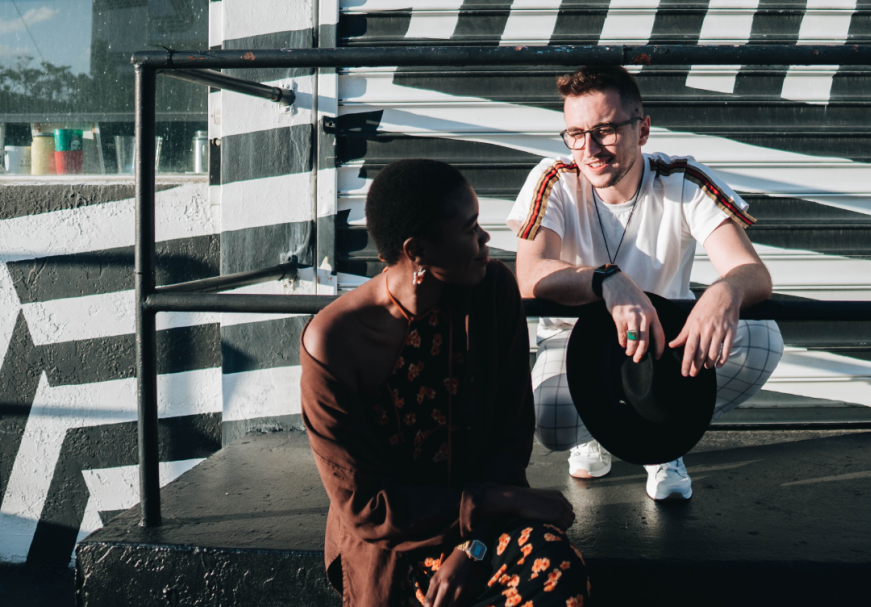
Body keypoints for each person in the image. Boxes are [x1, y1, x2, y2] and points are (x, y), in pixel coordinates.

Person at [301, 159, 589, 607]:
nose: (485, 240)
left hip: (489, 520)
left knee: (555, 573)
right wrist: (489, 506)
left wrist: (470, 546)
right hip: (396, 539)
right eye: (470, 228)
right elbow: (365, 508)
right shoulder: (333, 341)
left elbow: (510, 438)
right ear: (417, 251)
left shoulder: (491, 291)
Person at [508, 65, 784, 502]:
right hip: (578, 344)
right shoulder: (555, 178)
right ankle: (599, 431)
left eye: (605, 130)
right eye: (575, 133)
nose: (589, 148)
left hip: (664, 342)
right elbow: (530, 275)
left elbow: (753, 273)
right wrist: (605, 281)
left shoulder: (682, 179)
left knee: (764, 339)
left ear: (643, 129)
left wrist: (724, 292)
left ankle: (665, 436)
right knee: (554, 423)